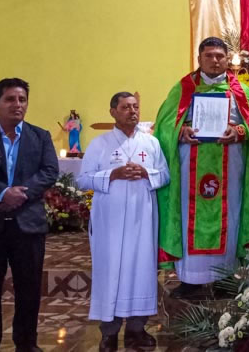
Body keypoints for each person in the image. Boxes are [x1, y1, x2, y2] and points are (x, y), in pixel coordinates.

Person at [154, 37, 249, 299]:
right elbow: (164, 124)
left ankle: (224, 277)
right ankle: (190, 279)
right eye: (209, 56)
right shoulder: (184, 87)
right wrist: (180, 131)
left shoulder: (241, 90)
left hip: (230, 164)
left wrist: (239, 131)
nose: (215, 61)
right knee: (189, 215)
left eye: (219, 56)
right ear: (199, 59)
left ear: (227, 59)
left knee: (230, 214)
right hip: (190, 166)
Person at [0, 78, 59, 352]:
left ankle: (26, 342)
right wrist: (1, 193)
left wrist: (19, 194)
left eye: (22, 99)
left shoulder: (40, 136)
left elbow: (49, 171)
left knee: (29, 288)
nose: (17, 105)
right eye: (10, 99)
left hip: (28, 224)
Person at [78, 92, 169, 351]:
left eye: (135, 106)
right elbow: (83, 179)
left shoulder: (151, 143)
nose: (132, 111)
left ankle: (136, 330)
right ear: (113, 112)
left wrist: (146, 172)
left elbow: (165, 175)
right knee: (111, 272)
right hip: (110, 221)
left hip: (143, 219)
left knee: (142, 270)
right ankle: (109, 333)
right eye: (126, 107)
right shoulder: (100, 144)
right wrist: (113, 174)